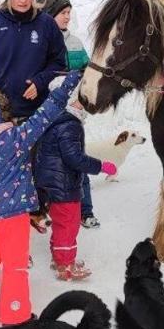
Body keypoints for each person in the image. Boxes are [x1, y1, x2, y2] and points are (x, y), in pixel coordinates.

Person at [0, 70, 84, 327]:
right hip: (13, 216)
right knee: (16, 266)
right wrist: (70, 82)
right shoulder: (15, 139)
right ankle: (16, 315)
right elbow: (46, 113)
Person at [34, 82, 116, 280]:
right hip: (63, 185)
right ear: (70, 102)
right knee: (69, 224)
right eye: (81, 101)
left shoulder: (56, 121)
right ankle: (65, 265)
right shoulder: (69, 125)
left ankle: (59, 258)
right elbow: (74, 158)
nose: (85, 106)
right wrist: (101, 166)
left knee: (62, 223)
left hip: (53, 183)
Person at [40, 0, 99, 228]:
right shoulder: (41, 43)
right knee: (49, 165)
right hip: (49, 115)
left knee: (77, 162)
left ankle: (85, 210)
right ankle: (48, 209)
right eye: (63, 13)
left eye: (68, 13)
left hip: (73, 114)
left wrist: (82, 102)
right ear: (50, 15)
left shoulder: (75, 43)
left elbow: (88, 75)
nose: (67, 17)